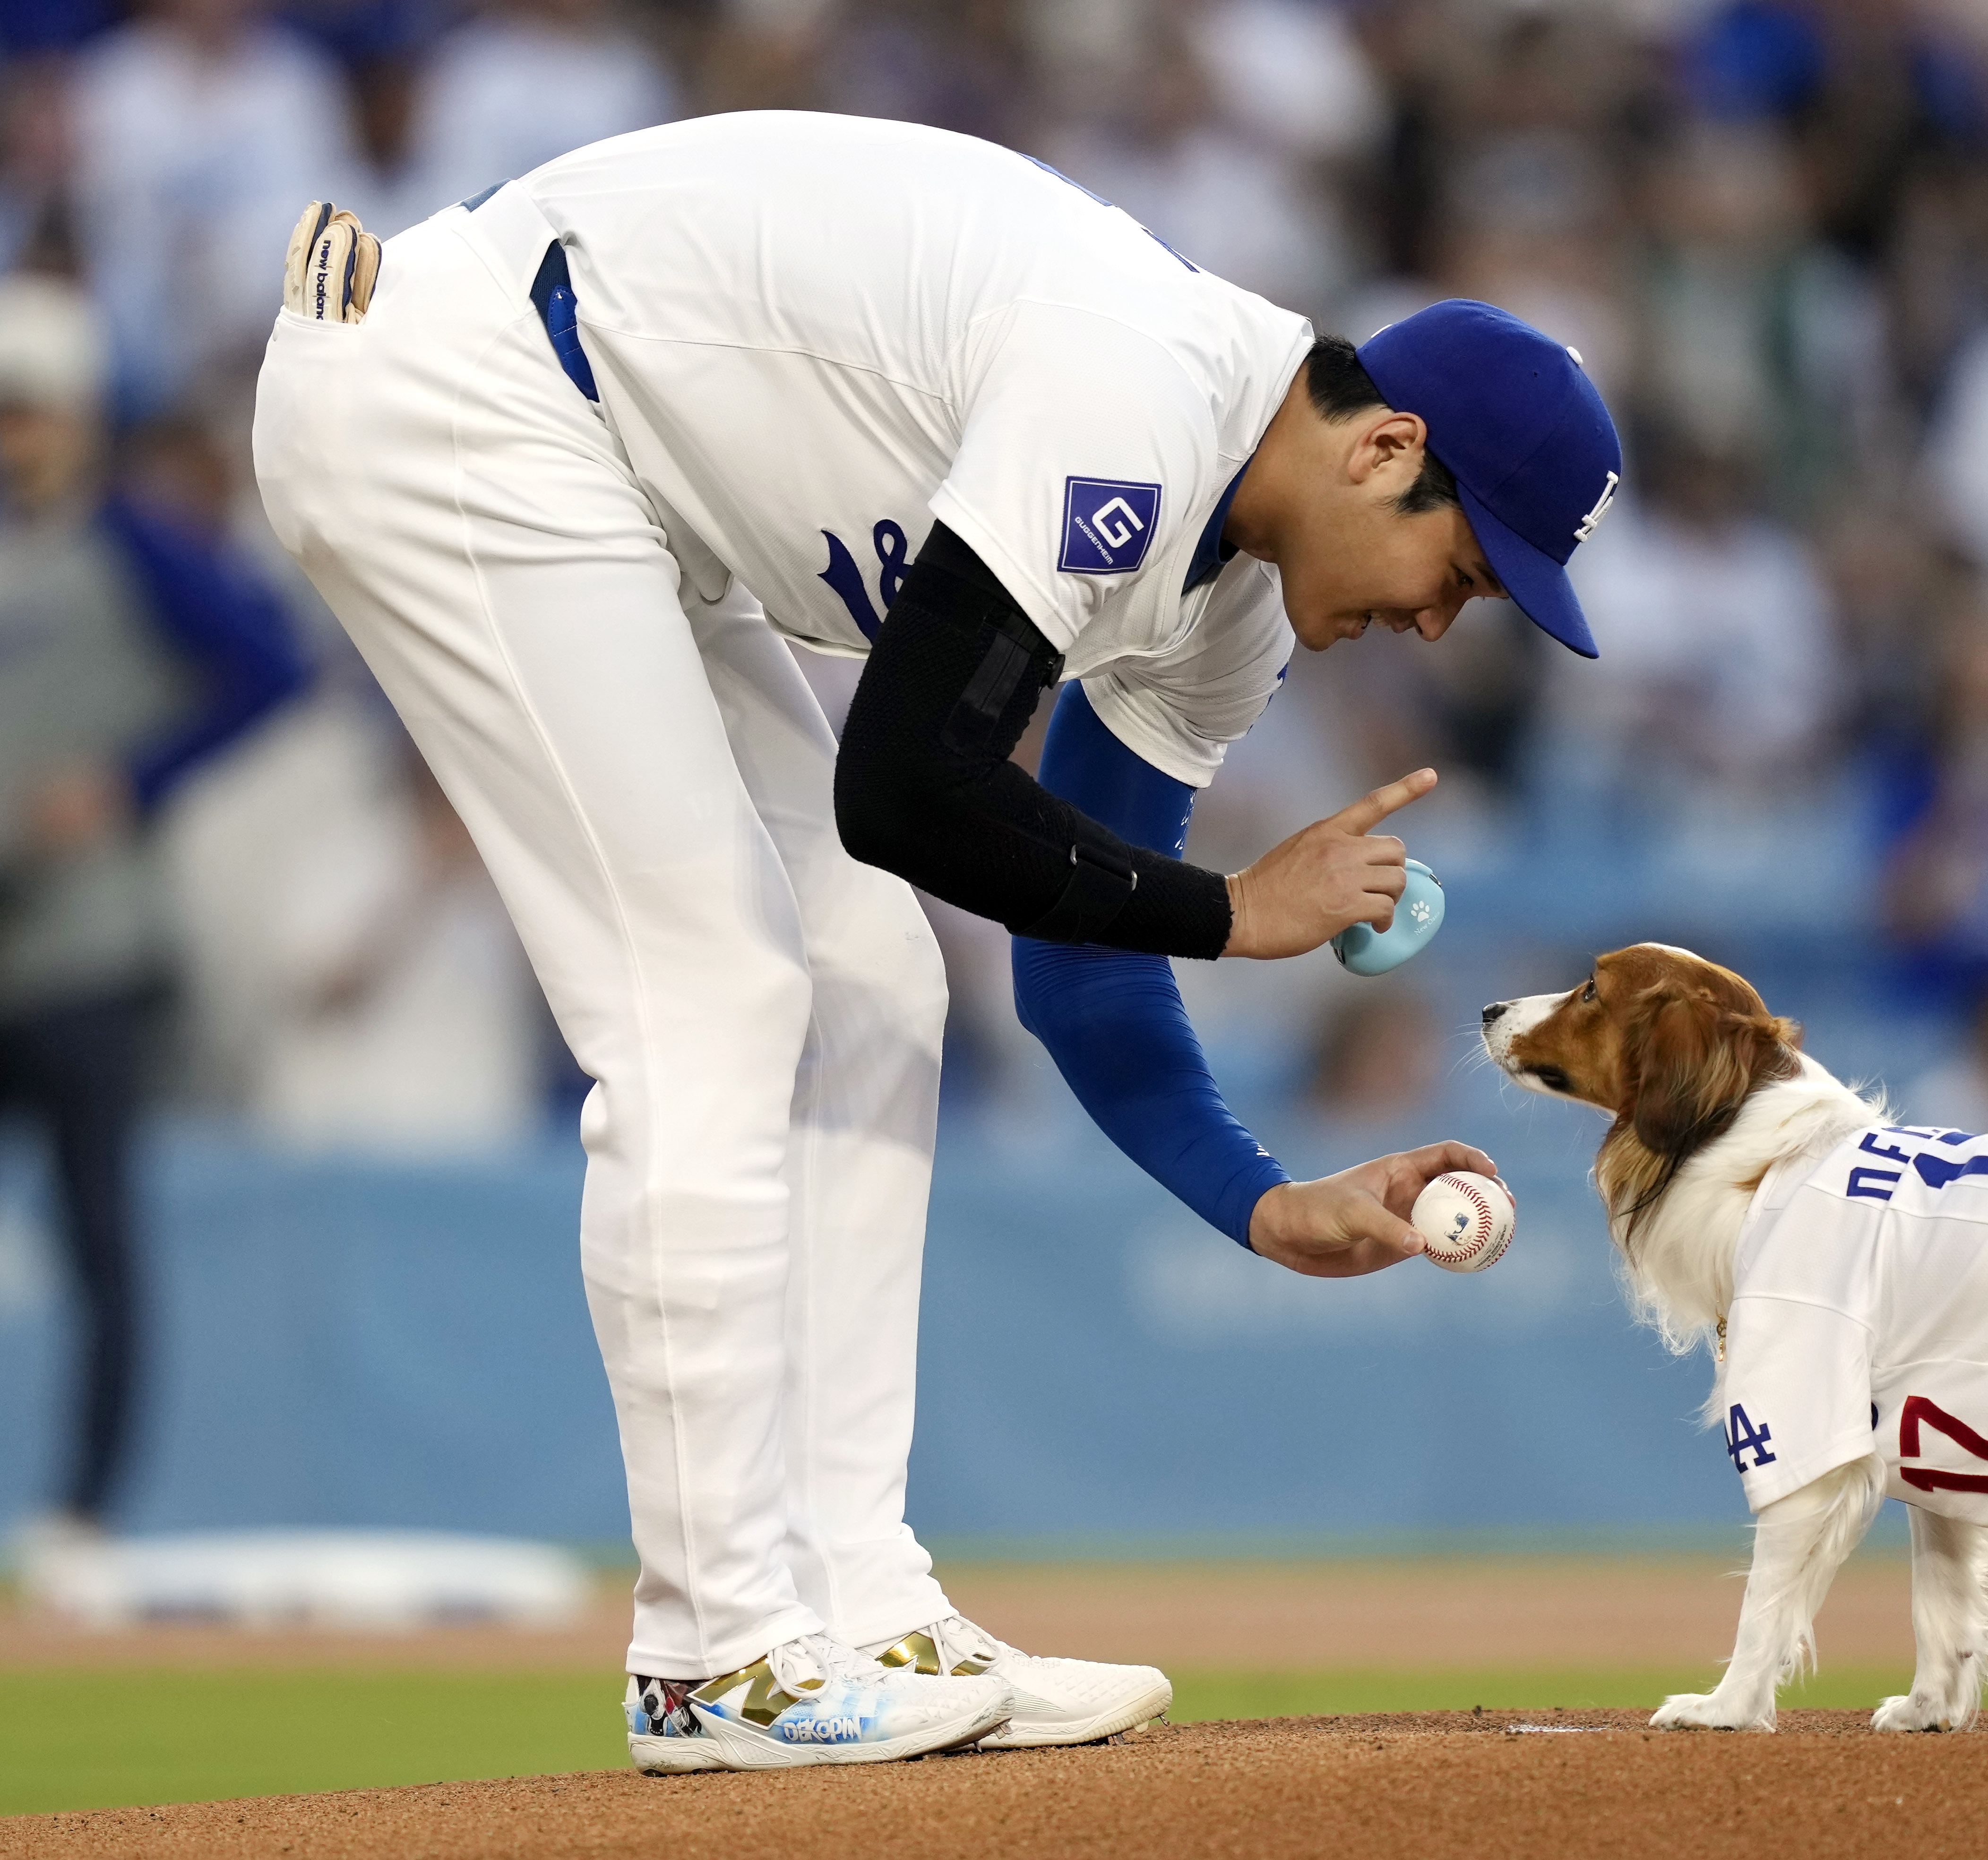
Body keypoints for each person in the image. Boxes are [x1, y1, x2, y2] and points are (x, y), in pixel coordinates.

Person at [250, 112, 1621, 1772]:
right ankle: (714, 1657)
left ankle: (855, 1597)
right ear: (1382, 445)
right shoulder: (1140, 394)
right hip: (465, 386)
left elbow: (1075, 951)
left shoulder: (1233, 602)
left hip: (612, 475)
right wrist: (1237, 915)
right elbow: (902, 785)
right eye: (1463, 568)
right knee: (712, 994)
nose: (1436, 619)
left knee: (878, 982)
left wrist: (1260, 1198)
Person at [0, 274, 307, 1545]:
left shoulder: (133, 541)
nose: (20, 438)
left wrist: (133, 781)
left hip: (90, 946)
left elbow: (270, 665)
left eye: (35, 412)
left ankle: (85, 1507)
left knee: (97, 1234)